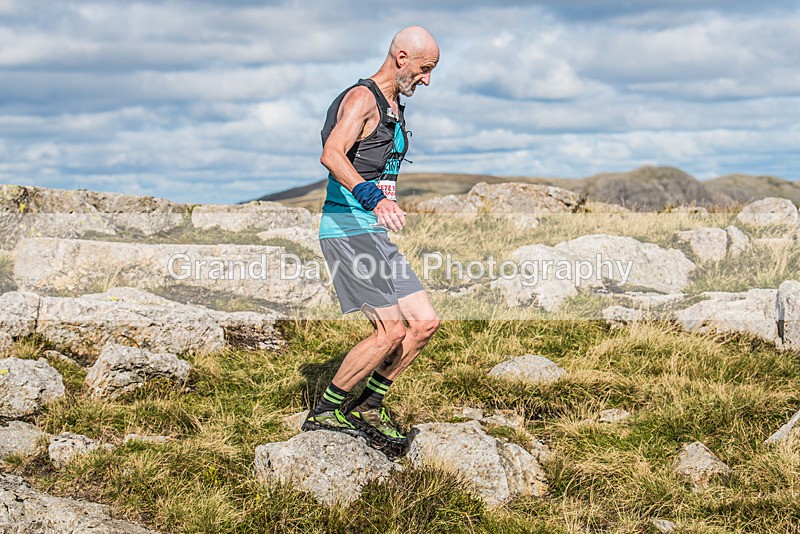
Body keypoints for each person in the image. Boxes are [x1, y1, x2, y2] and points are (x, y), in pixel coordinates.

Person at [301, 26, 441, 457]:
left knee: (423, 323)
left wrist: (385, 202)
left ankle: (369, 405)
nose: (427, 80)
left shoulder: (395, 105)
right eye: (424, 69)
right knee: (390, 330)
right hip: (348, 229)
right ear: (401, 57)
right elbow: (332, 153)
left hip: (373, 232)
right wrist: (373, 199)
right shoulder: (363, 98)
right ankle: (327, 410)